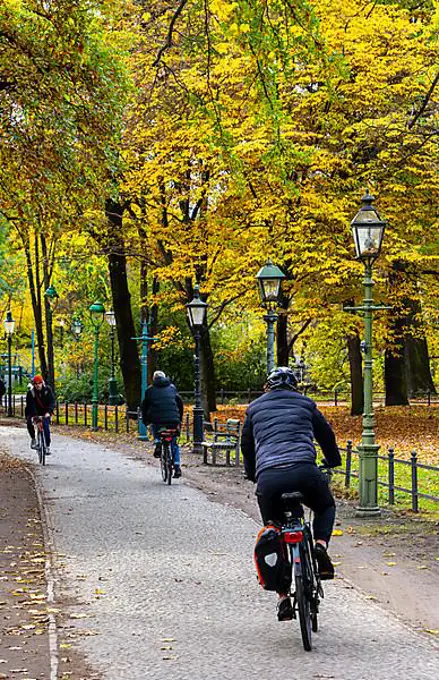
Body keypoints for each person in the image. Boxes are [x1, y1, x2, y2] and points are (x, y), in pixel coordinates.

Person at [241, 366, 341, 622]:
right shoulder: (306, 404)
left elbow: (247, 446)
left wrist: (254, 473)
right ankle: (320, 546)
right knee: (325, 506)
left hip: (270, 478)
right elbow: (326, 435)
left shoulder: (254, 409)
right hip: (304, 471)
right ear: (295, 386)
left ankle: (283, 597)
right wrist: (333, 460)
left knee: (273, 531)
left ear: (268, 386)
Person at [141, 370, 184, 478]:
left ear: (154, 379)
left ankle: (157, 441)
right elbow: (180, 403)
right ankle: (177, 467)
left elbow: (144, 407)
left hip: (158, 421)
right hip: (173, 421)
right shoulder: (172, 388)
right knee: (174, 443)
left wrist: (145, 420)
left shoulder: (149, 390)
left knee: (155, 425)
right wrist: (179, 419)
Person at [25, 375, 55, 455]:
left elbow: (52, 402)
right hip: (33, 412)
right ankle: (33, 439)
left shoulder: (48, 390)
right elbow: (30, 405)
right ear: (33, 384)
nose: (38, 385)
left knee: (46, 427)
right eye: (36, 383)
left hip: (45, 412)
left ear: (42, 383)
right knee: (29, 422)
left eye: (39, 383)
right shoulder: (31, 393)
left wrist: (48, 412)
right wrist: (35, 416)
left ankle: (47, 446)